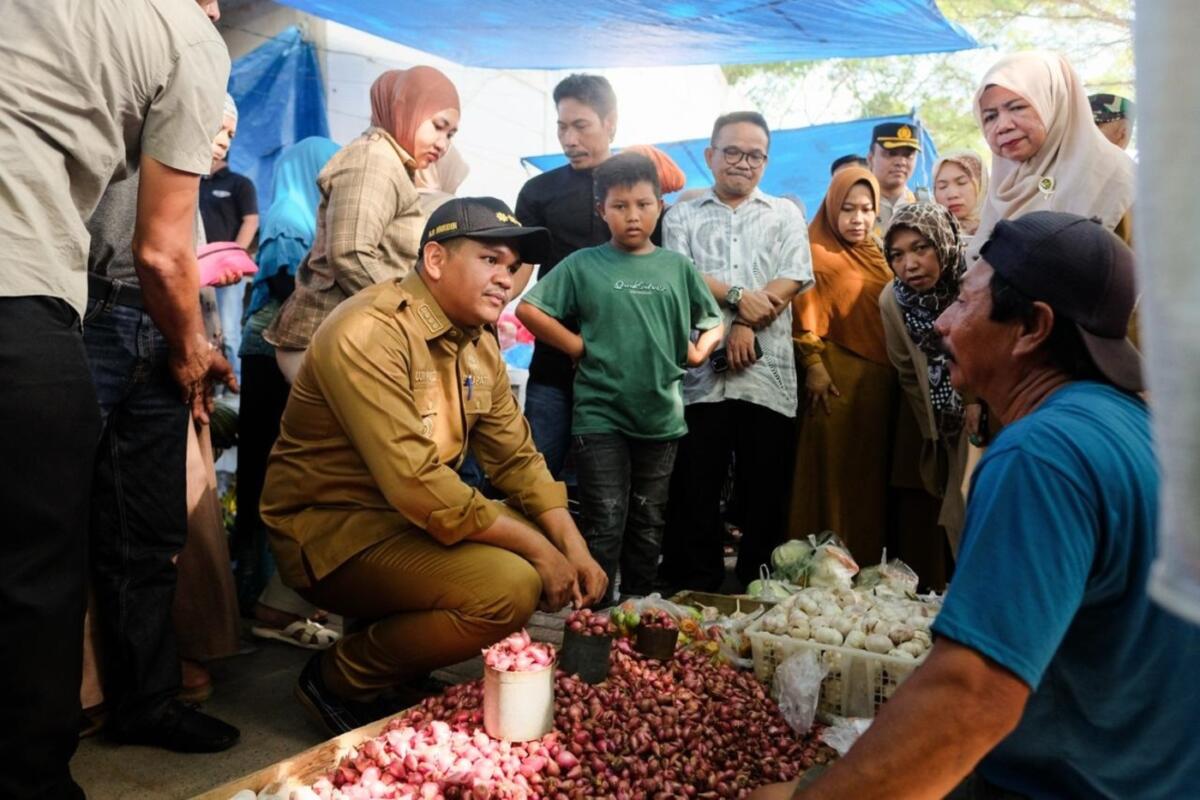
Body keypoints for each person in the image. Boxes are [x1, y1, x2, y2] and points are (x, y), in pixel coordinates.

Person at [752, 212, 1200, 800]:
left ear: (1032, 328)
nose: (941, 321)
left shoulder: (1040, 454)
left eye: (964, 302)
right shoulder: (1135, 425)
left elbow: (971, 698)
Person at [260, 198, 608, 735]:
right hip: (332, 534)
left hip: (403, 525)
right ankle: (339, 677)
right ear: (437, 259)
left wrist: (573, 547)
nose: (505, 279)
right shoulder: (372, 329)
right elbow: (417, 482)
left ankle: (395, 667)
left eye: (512, 267)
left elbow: (516, 458)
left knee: (541, 529)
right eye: (490, 259)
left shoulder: (476, 342)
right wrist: (542, 551)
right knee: (511, 585)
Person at [0, 0, 230, 794]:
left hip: (132, 323)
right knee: (39, 562)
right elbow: (163, 251)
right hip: (71, 307)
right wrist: (196, 350)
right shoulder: (181, 35)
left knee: (143, 528)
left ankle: (146, 698)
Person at [517, 153, 723, 603]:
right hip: (599, 415)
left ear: (659, 207)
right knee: (604, 519)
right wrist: (575, 346)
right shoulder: (582, 264)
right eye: (620, 206)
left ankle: (639, 610)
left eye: (643, 204)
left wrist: (697, 351)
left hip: (662, 418)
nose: (633, 215)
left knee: (649, 521)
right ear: (601, 211)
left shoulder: (676, 267)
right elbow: (529, 308)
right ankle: (595, 616)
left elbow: (713, 319)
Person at [659, 111, 812, 591]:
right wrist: (735, 296)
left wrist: (745, 320)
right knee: (695, 486)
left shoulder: (785, 214)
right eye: (732, 152)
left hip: (768, 377)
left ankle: (758, 585)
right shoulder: (681, 215)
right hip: (701, 377)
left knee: (764, 488)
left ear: (765, 161)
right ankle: (698, 588)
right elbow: (680, 274)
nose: (743, 163)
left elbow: (793, 277)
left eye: (755, 155)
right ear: (711, 155)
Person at [790, 167, 943, 580]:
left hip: (882, 383)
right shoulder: (814, 251)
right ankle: (823, 569)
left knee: (870, 478)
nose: (857, 218)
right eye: (847, 209)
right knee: (834, 474)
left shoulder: (882, 252)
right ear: (830, 208)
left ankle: (866, 566)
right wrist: (814, 365)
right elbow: (804, 317)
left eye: (866, 209)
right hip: (835, 380)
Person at [265, 66, 461, 382]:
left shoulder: (393, 164)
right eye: (438, 127)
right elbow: (351, 253)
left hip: (350, 334)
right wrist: (412, 315)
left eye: (451, 134)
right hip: (329, 334)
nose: (443, 144)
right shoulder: (375, 160)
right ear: (405, 110)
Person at [233, 137, 341, 628]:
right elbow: (286, 288)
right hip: (269, 355)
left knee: (278, 466)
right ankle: (251, 589)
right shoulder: (287, 216)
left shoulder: (310, 216)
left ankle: (274, 592)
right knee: (267, 467)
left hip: (285, 352)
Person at [513, 74, 618, 478]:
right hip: (553, 365)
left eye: (581, 126)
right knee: (536, 477)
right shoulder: (539, 192)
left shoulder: (634, 190)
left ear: (610, 124)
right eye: (562, 126)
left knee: (602, 490)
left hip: (617, 372)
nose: (569, 139)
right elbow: (520, 265)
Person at [880, 203, 981, 554]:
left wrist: (977, 402)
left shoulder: (978, 284)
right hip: (947, 427)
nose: (909, 264)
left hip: (995, 417)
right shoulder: (893, 300)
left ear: (944, 242)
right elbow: (907, 371)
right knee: (958, 513)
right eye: (897, 255)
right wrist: (933, 429)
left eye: (921, 248)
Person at [971, 51, 1135, 257]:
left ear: (1054, 102)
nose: (1002, 126)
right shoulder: (1004, 189)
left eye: (1017, 107)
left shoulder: (1114, 178)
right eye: (990, 117)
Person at [199, 94, 258, 381]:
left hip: (226, 270)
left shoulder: (239, 184)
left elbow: (251, 220)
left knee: (228, 329)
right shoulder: (192, 180)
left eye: (230, 135)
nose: (224, 141)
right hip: (195, 268)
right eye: (219, 131)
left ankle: (231, 385)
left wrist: (234, 254)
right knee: (200, 329)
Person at [866, 122, 921, 234]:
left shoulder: (925, 207)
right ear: (871, 158)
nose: (900, 162)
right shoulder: (856, 206)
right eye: (891, 154)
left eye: (908, 155)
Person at [932, 149, 988, 238]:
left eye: (962, 182)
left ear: (981, 185)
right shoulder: (929, 234)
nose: (952, 195)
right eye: (942, 186)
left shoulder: (1002, 229)